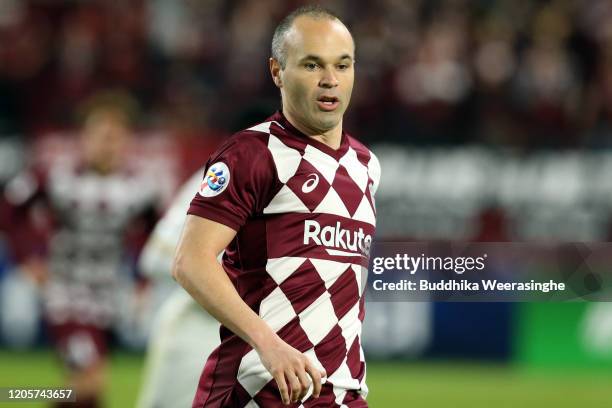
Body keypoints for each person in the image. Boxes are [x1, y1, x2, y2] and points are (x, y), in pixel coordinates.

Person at [173, 5, 381, 407]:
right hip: (257, 388)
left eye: (342, 65)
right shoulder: (251, 153)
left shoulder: (366, 166)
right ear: (277, 72)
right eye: (311, 65)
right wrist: (269, 345)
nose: (329, 81)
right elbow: (191, 261)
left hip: (341, 394)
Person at [4, 93, 158, 408]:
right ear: (84, 138)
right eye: (100, 135)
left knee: (85, 392)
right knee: (90, 380)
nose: (107, 143)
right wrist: (27, 257)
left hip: (108, 298)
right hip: (65, 294)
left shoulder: (139, 188)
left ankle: (17, 396)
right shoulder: (56, 178)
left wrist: (143, 280)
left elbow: (153, 232)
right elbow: (9, 210)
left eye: (115, 137)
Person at [136, 168, 220, 408]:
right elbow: (155, 256)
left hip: (270, 340)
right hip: (197, 331)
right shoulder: (228, 171)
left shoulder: (324, 178)